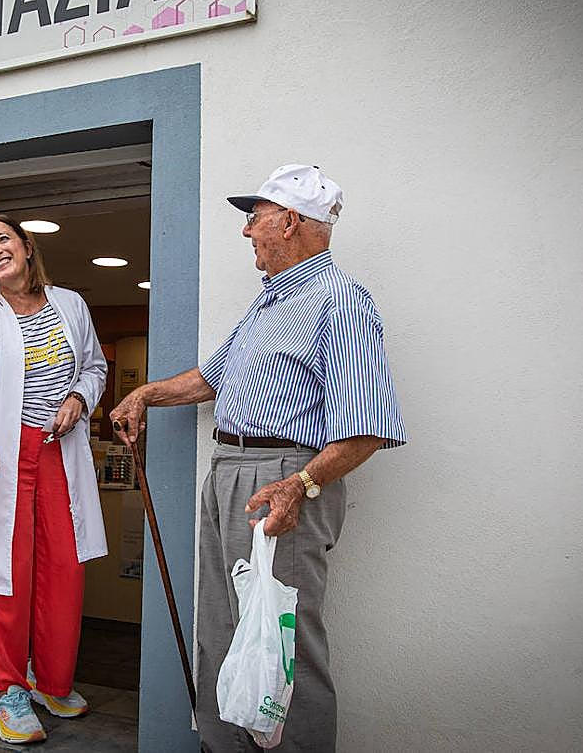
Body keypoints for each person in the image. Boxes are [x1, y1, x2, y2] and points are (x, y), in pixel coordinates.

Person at [110, 164, 406, 752]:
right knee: (222, 633)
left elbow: (369, 428)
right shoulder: (268, 303)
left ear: (290, 221)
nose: (247, 232)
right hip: (229, 473)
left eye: (255, 218)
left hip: (283, 480)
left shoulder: (339, 301)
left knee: (282, 645)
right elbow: (209, 379)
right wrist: (145, 393)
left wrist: (302, 486)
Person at [0, 213, 108, 745]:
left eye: (3, 239)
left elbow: (95, 367)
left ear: (27, 247)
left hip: (60, 453)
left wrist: (80, 399)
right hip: (7, 460)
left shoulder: (71, 305)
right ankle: (7, 692)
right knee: (6, 575)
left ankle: (50, 680)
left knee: (63, 570)